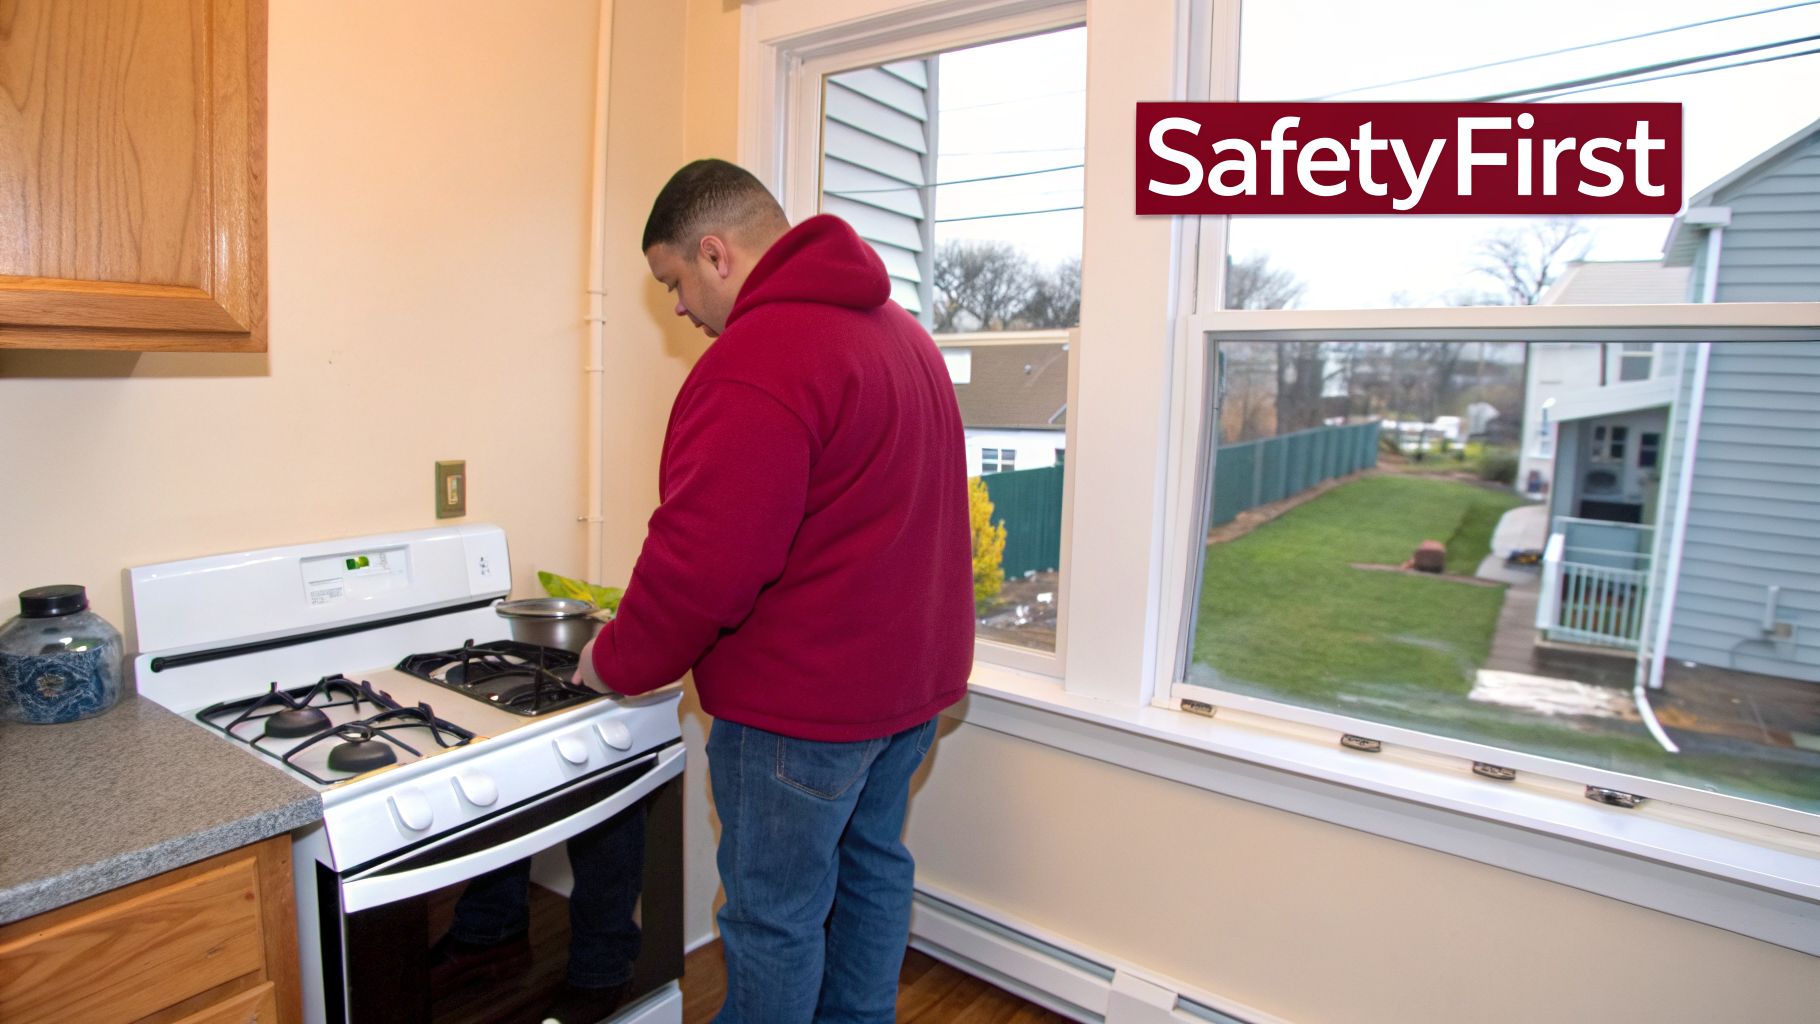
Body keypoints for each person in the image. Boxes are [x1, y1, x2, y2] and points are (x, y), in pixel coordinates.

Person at [576, 158, 974, 1023]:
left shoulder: (757, 361)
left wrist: (611, 660)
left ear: (715, 254)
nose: (678, 308)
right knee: (871, 872)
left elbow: (700, 565)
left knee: (774, 921)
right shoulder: (902, 337)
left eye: (673, 282)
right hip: (906, 696)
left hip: (803, 713)